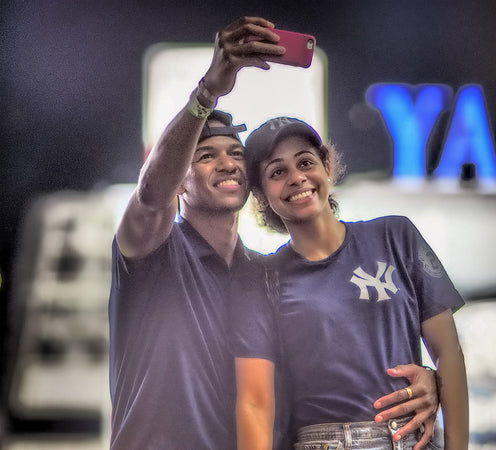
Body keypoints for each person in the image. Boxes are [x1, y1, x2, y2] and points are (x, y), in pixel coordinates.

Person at [109, 16, 441, 449]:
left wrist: (430, 382)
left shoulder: (268, 273)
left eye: (234, 154)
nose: (227, 163)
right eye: (205, 156)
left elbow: (333, 359)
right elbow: (152, 194)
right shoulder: (152, 252)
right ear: (180, 179)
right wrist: (207, 91)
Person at [231, 117, 469, 449]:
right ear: (259, 194)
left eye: (305, 162)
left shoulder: (395, 236)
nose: (297, 177)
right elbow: (255, 405)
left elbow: (449, 353)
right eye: (277, 172)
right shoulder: (263, 279)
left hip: (411, 441)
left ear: (327, 165)